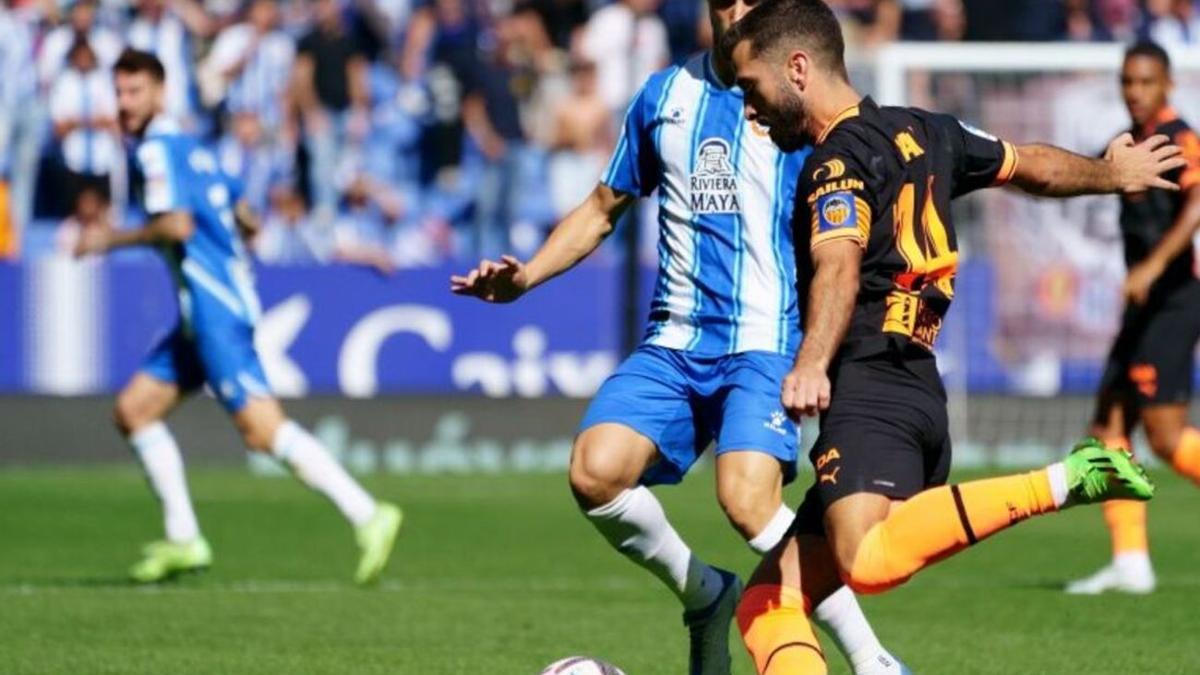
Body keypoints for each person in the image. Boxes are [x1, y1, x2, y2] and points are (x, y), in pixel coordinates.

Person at [719, 1, 1183, 672]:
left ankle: (1064, 477)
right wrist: (1108, 173)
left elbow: (840, 262)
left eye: (751, 90)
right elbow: (1030, 166)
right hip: (915, 394)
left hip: (869, 388)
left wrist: (811, 362)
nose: (751, 110)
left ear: (797, 69)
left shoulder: (835, 163)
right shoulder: (930, 130)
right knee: (767, 600)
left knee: (867, 561)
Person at [452, 0, 909, 673]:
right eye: (723, 2)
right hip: (676, 339)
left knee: (748, 499)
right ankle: (706, 592)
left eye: (750, 2)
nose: (734, 13)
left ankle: (872, 658)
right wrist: (526, 277)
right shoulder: (664, 96)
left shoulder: (799, 103)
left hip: (767, 337)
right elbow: (603, 207)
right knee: (594, 470)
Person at [73, 49, 401, 585]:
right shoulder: (193, 149)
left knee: (262, 430)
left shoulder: (155, 152)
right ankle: (184, 539)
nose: (124, 103)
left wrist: (107, 238)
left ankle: (369, 513)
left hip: (214, 310)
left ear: (160, 92)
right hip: (203, 310)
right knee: (134, 410)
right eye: (120, 92)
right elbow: (245, 215)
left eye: (135, 92)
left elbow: (176, 226)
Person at [1066, 41, 1200, 596]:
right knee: (1109, 428)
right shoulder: (1127, 146)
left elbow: (1196, 204)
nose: (1135, 92)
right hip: (1140, 309)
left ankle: (1131, 562)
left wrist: (1153, 266)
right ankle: (1130, 563)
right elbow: (1087, 176)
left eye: (1145, 82)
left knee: (1166, 439)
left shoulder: (1180, 138)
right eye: (1127, 82)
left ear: (1166, 84)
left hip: (1173, 301)